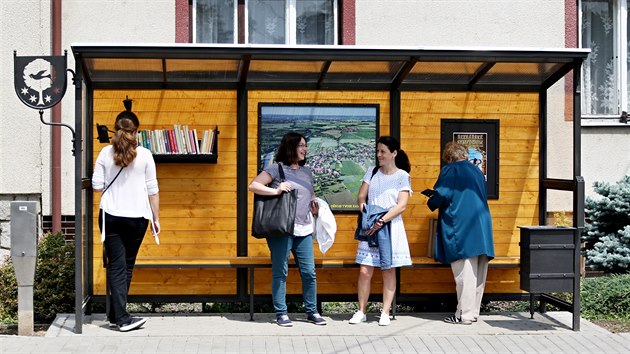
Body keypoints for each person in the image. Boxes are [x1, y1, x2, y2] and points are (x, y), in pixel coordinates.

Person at [92, 109, 160, 332]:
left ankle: (116, 314)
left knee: (117, 266)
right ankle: (121, 318)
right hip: (138, 217)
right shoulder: (146, 155)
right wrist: (156, 218)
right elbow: (153, 190)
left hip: (111, 216)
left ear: (115, 128)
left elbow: (97, 186)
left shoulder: (104, 153)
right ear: (137, 132)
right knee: (125, 266)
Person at [248, 132, 326, 327]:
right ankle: (281, 313)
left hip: (304, 228)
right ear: (290, 147)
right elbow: (253, 186)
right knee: (280, 271)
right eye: (301, 145)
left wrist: (314, 206)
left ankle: (312, 311)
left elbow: (310, 195)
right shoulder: (276, 169)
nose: (305, 149)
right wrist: (276, 189)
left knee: (309, 272)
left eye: (305, 145)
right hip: (282, 228)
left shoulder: (307, 171)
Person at [426, 141, 494, 325]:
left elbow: (441, 196)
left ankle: (462, 315)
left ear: (449, 158)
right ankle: (472, 313)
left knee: (464, 273)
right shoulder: (476, 171)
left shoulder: (451, 170)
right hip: (482, 226)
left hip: (462, 227)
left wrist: (431, 200)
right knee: (478, 272)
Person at [349, 136, 412, 326]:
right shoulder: (372, 171)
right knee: (365, 270)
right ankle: (361, 311)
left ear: (394, 154)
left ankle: (385, 312)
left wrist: (381, 220)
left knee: (388, 270)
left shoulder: (402, 176)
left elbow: (401, 205)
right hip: (371, 227)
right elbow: (361, 196)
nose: (379, 155)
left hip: (390, 227)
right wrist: (366, 212)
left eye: (383, 152)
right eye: (378, 151)